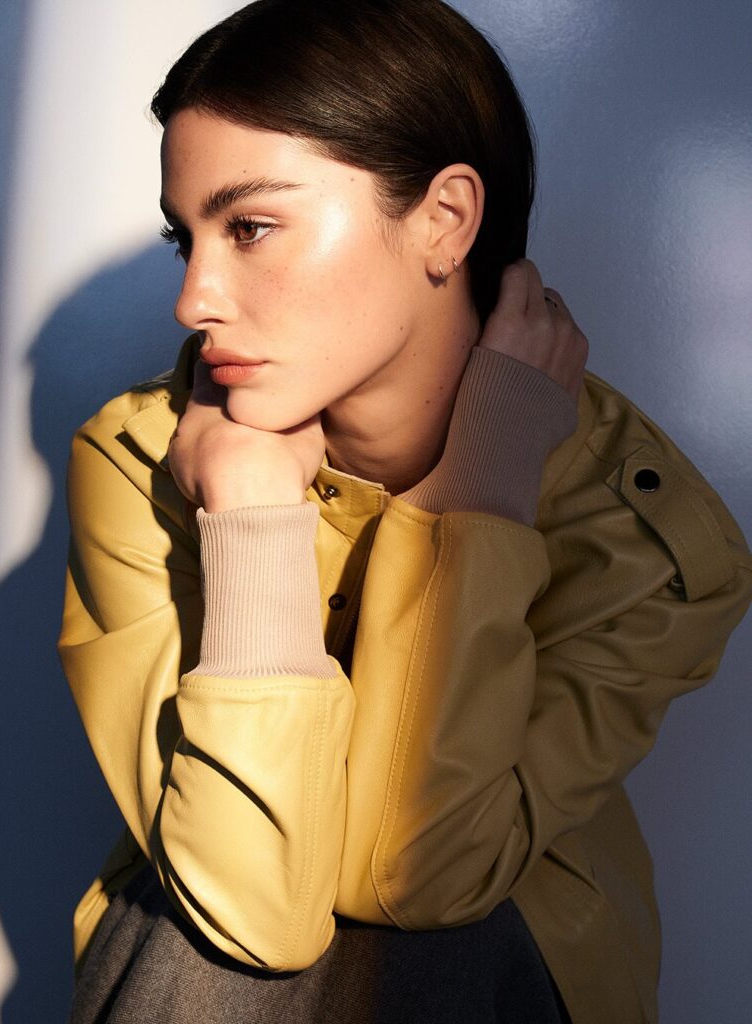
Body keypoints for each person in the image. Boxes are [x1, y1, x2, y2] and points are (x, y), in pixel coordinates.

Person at [57, 1, 752, 1021]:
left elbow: (417, 872)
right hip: (209, 935)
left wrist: (483, 493)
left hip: (498, 950)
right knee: (219, 947)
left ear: (445, 221)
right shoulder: (134, 459)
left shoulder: (647, 542)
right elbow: (251, 909)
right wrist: (248, 511)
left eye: (249, 226)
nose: (194, 298)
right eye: (187, 239)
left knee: (428, 943)